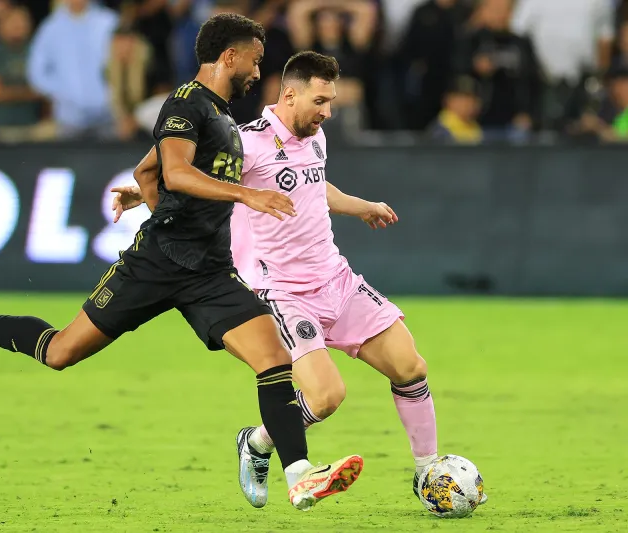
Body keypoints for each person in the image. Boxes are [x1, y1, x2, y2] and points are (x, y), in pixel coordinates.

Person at [0, 14, 361, 512]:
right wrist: (240, 196)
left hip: (210, 272)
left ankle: (298, 475)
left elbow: (148, 171)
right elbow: (174, 170)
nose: (259, 73)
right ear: (229, 57)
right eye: (255, 61)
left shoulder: (225, 119)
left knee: (273, 358)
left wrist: (151, 198)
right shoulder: (185, 103)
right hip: (158, 263)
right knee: (61, 352)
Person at [112, 50, 487, 509]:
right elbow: (187, 171)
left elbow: (315, 186)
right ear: (289, 94)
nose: (328, 111)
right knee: (327, 397)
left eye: (331, 102)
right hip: (282, 292)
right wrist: (138, 192)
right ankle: (257, 443)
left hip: (336, 278)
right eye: (321, 100)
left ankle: (428, 470)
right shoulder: (244, 142)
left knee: (411, 367)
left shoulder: (316, 137)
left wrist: (359, 204)